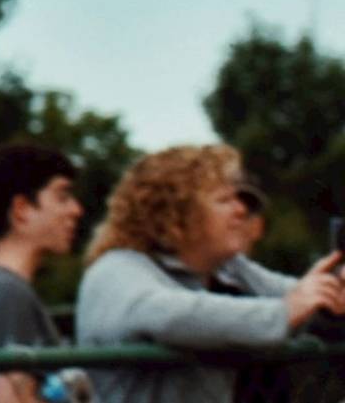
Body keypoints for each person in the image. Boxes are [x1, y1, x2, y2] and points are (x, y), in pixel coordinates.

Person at [75, 144, 345, 403]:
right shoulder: (115, 269)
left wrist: (331, 290)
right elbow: (170, 315)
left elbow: (295, 297)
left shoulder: (228, 267)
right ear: (174, 212)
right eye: (224, 199)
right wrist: (284, 312)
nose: (241, 209)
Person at [0, 143, 82, 403]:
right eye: (62, 196)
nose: (76, 210)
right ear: (21, 209)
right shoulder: (6, 293)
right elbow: (11, 396)